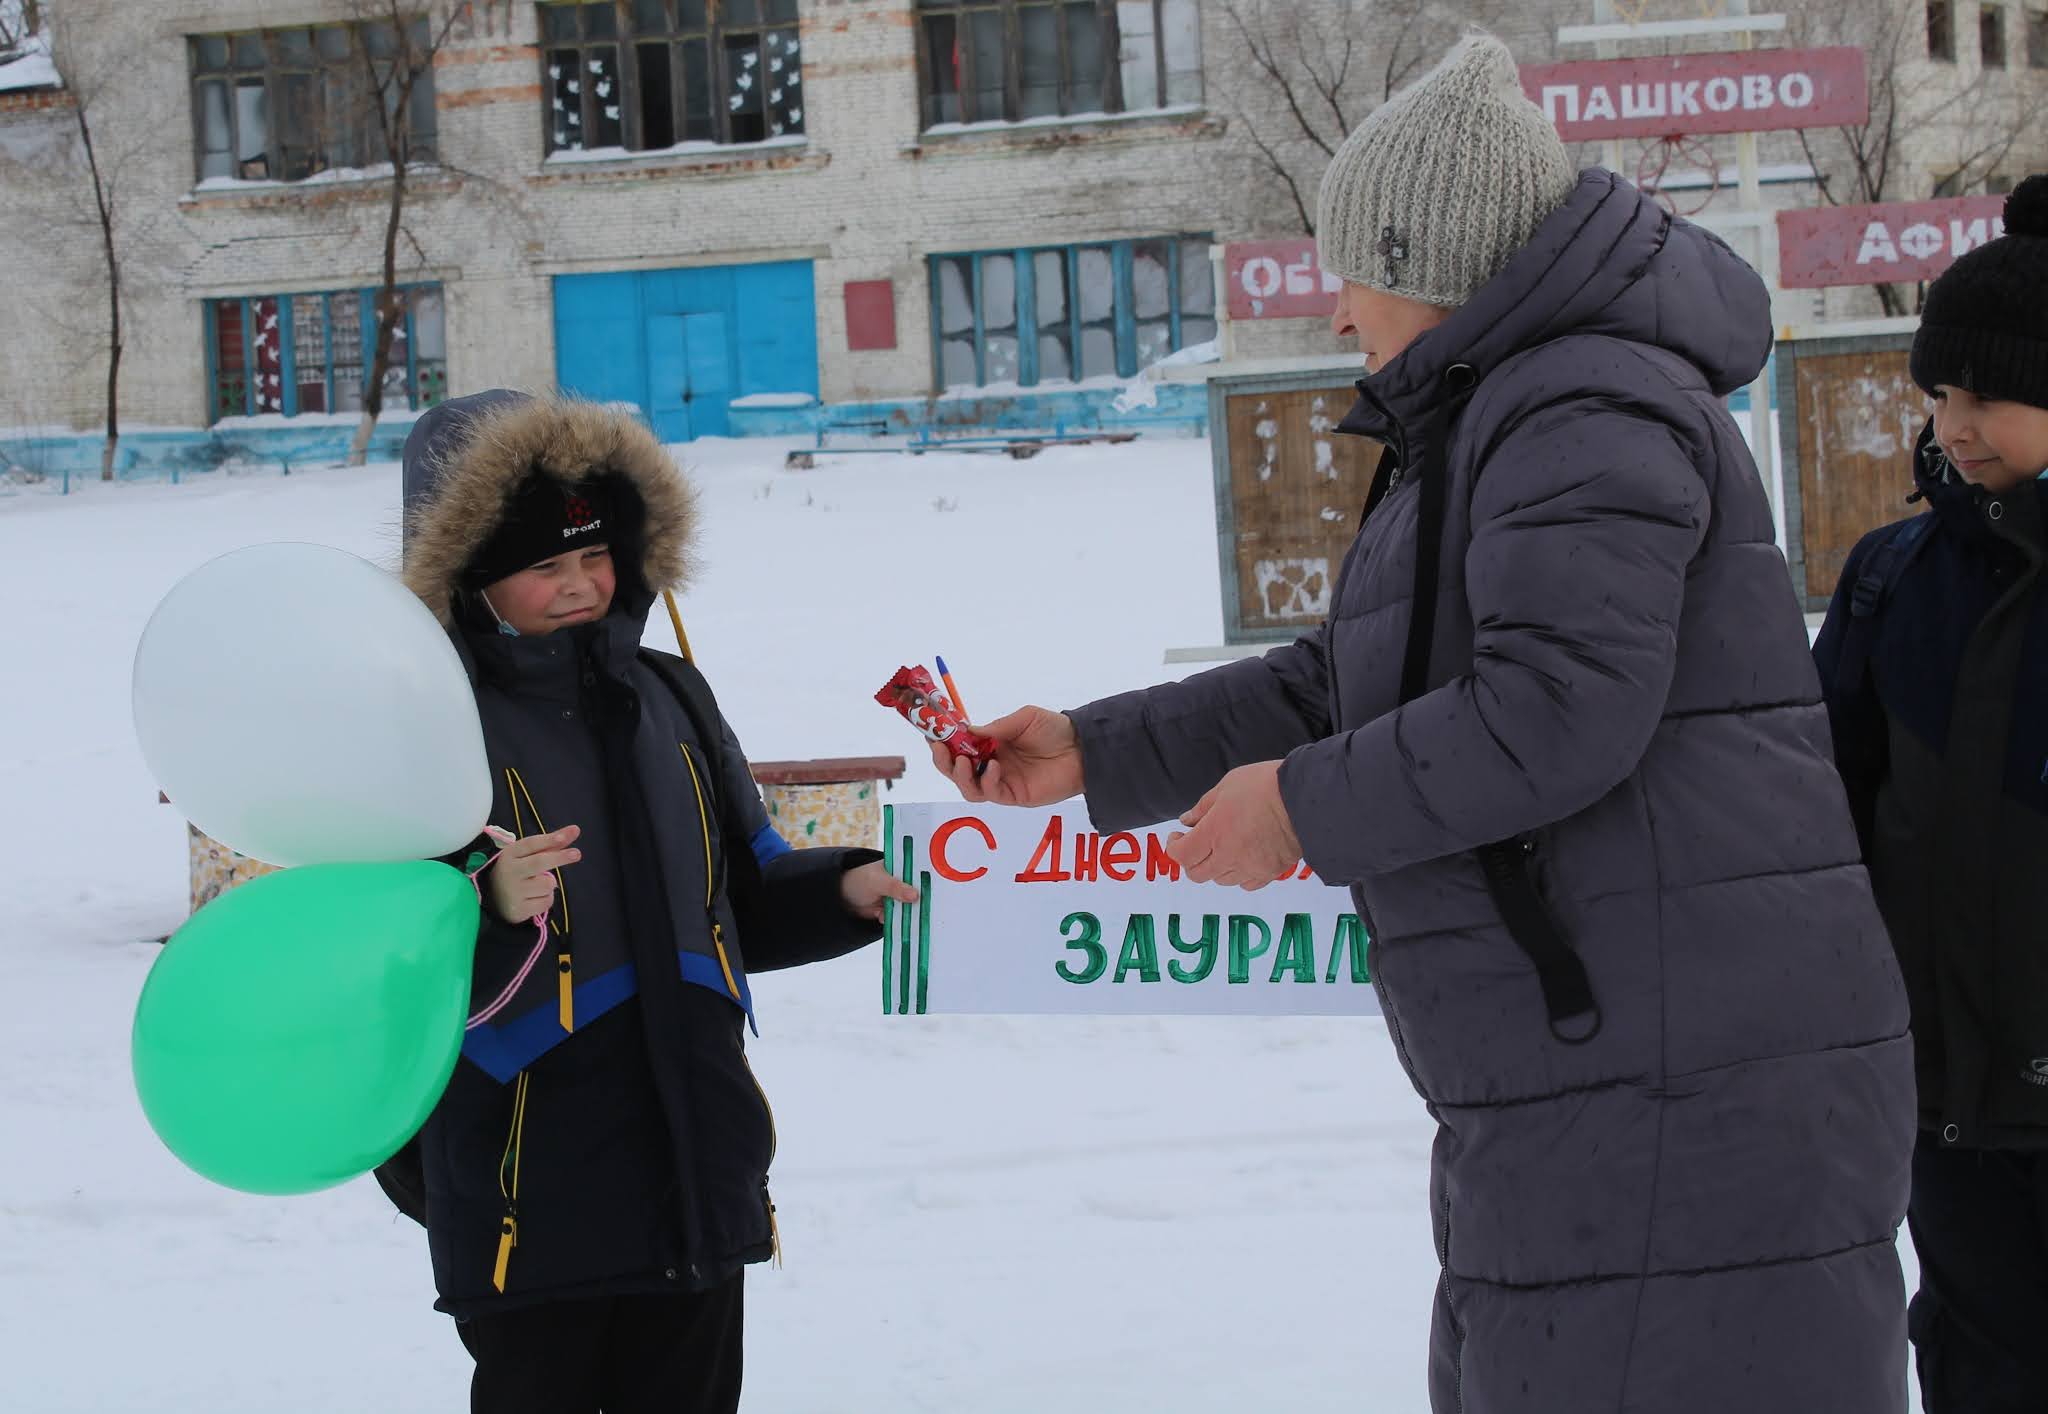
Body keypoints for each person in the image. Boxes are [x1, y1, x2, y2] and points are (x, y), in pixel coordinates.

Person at [932, 35, 1914, 1414]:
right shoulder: (1511, 408)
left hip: (1683, 1074)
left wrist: (1300, 807)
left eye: (1353, 274)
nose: (1340, 317)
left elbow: (1560, 706)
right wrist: (1099, 749)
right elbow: (1358, 676)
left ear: (1432, 261)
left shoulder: (1588, 404)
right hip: (1610, 1063)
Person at [377, 388, 915, 1414]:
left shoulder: (673, 695)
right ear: (465, 576)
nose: (579, 585)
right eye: (543, 567)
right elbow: (370, 945)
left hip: (696, 1164)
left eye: (594, 555)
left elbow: (739, 889)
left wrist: (847, 890)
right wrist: (478, 901)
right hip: (528, 1186)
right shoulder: (425, 719)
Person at [1813, 174, 2048, 1413]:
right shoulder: (1890, 579)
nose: (1952, 426)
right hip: (1942, 1101)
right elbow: (1820, 813)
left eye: (1989, 396)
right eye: (1938, 394)